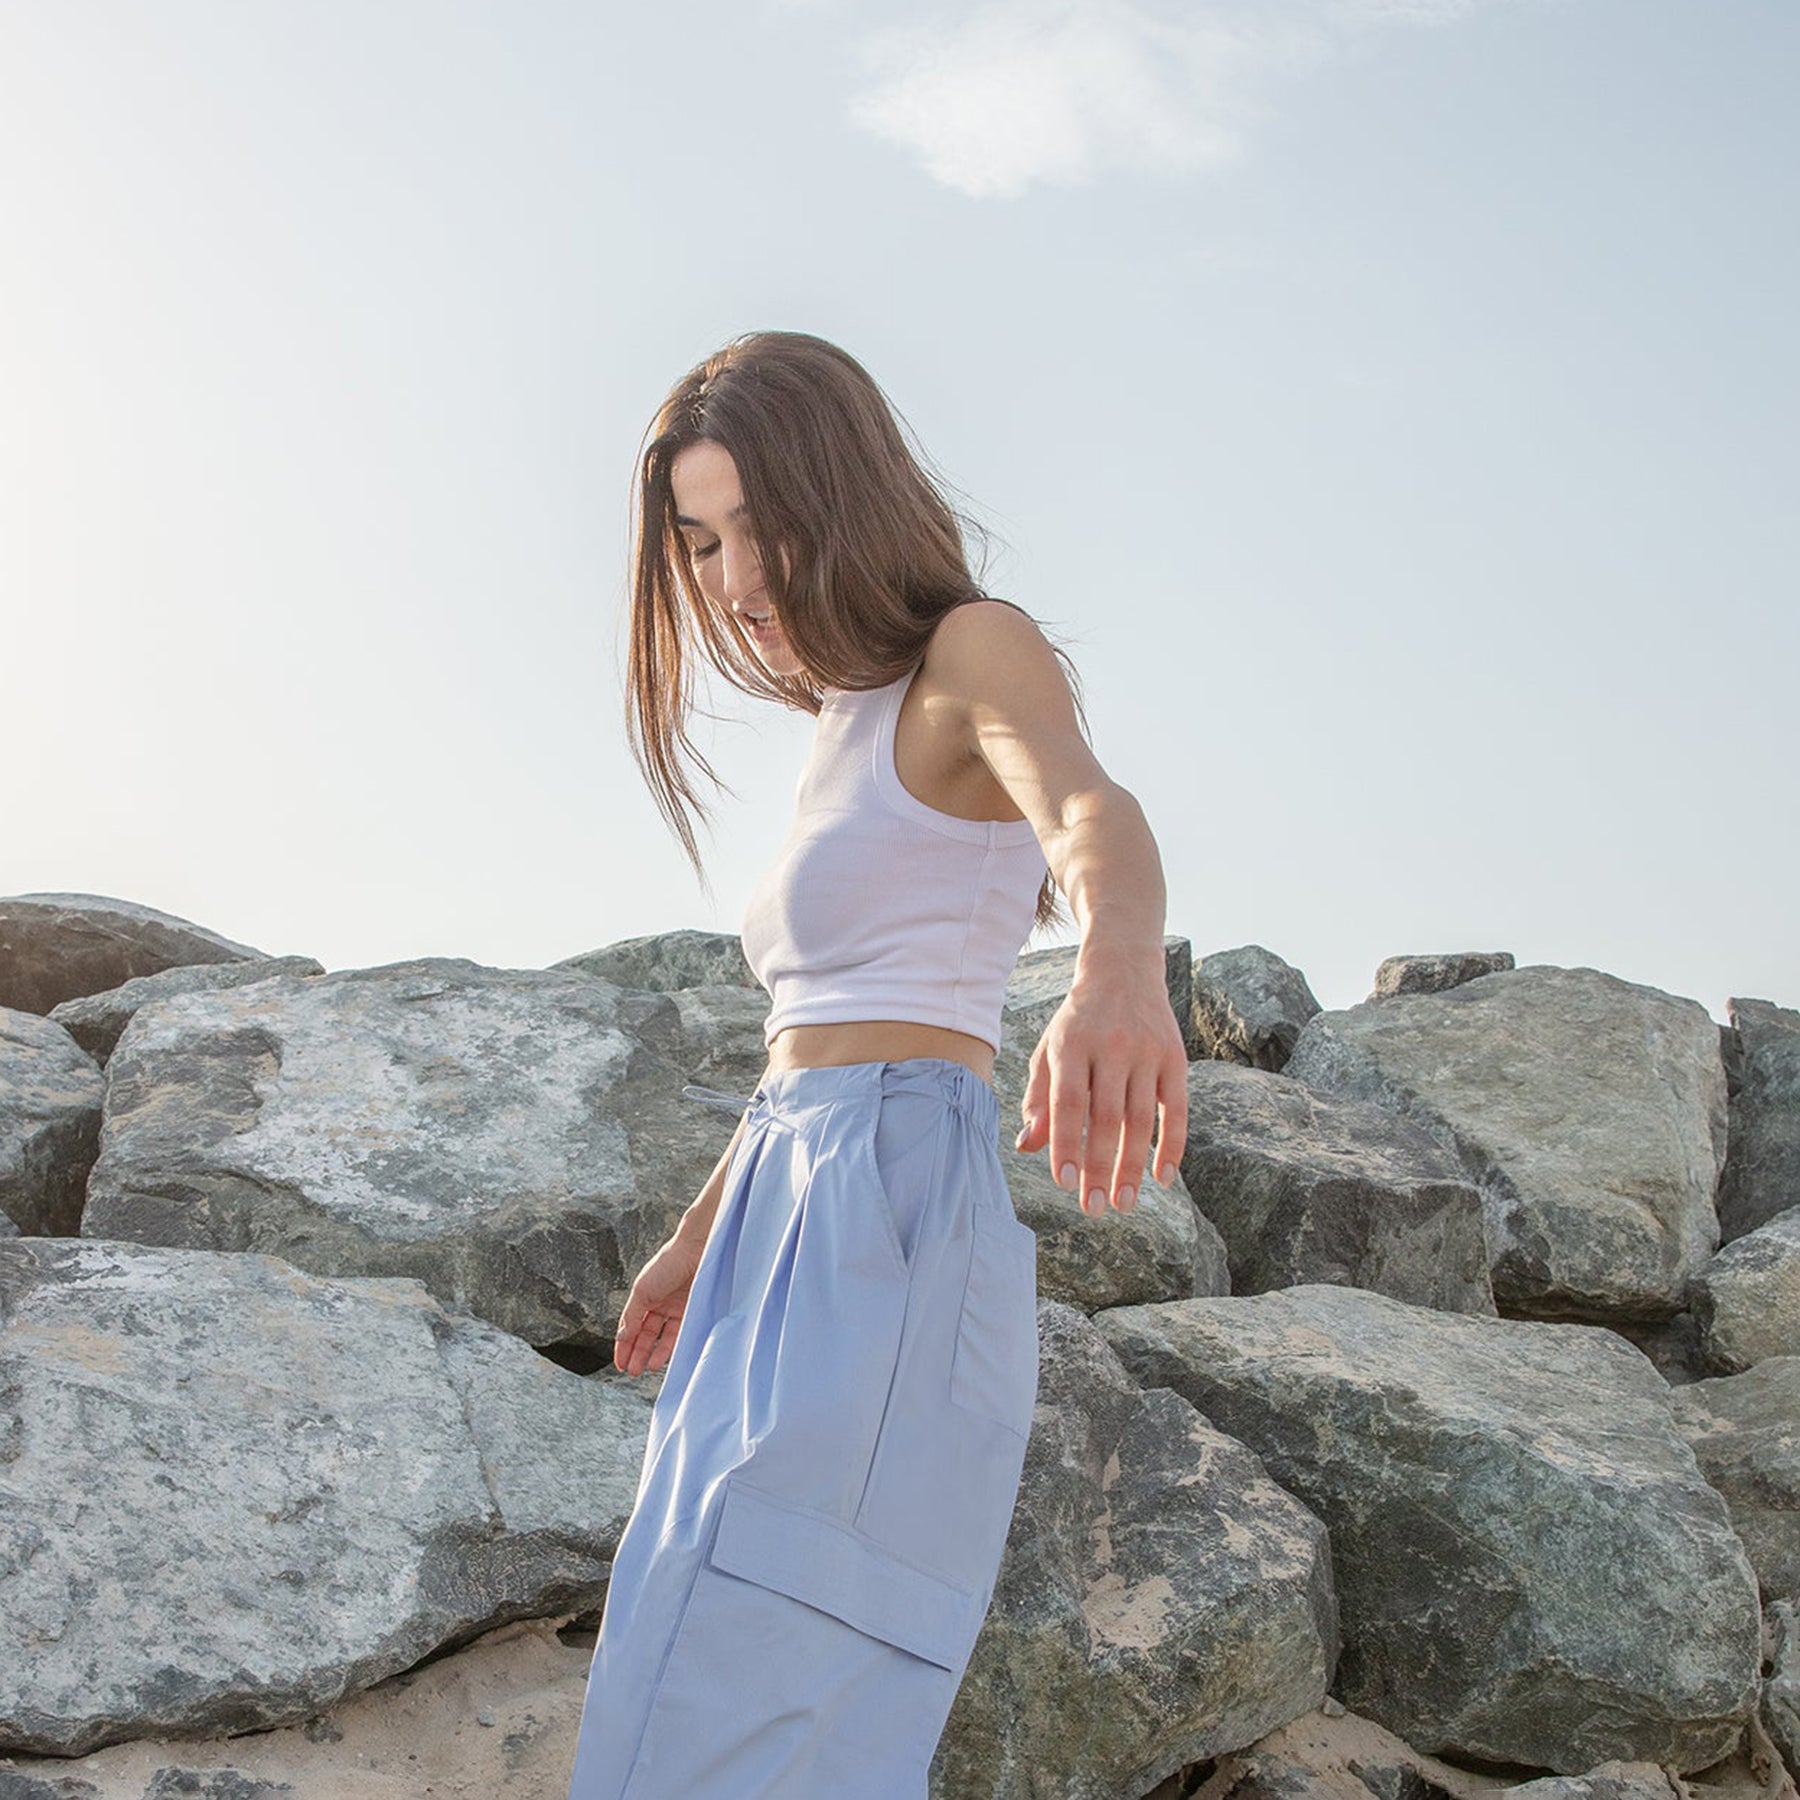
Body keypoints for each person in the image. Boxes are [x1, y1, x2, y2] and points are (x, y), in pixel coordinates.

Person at [564, 330, 1187, 1799]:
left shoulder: (973, 653)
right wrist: (692, 1235)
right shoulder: (839, 728)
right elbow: (809, 1034)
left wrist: (1114, 969)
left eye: (757, 528)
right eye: (701, 542)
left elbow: (1091, 812)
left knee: (784, 1676)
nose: (732, 580)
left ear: (842, 494)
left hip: (891, 1202)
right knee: (682, 1653)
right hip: (782, 1210)